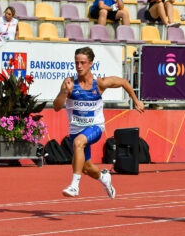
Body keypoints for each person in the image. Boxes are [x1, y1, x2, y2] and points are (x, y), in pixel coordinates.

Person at [53, 47, 144, 198]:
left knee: (78, 143)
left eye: (83, 63)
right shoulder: (69, 83)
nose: (79, 66)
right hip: (76, 129)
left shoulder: (99, 84)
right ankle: (105, 178)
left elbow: (122, 82)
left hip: (95, 127)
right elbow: (56, 107)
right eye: (76, 63)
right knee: (86, 167)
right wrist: (65, 92)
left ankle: (75, 186)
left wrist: (135, 100)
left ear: (91, 64)